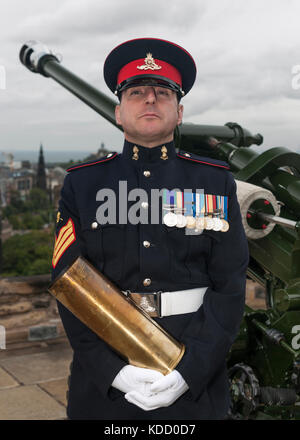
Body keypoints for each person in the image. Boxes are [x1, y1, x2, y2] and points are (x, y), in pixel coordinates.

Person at [51, 38, 249, 420]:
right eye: (137, 92)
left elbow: (230, 284)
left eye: (162, 93)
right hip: (104, 385)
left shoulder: (214, 183)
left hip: (195, 375)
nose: (150, 100)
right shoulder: (83, 185)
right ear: (118, 113)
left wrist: (189, 373)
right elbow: (68, 282)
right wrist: (114, 373)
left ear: (179, 112)